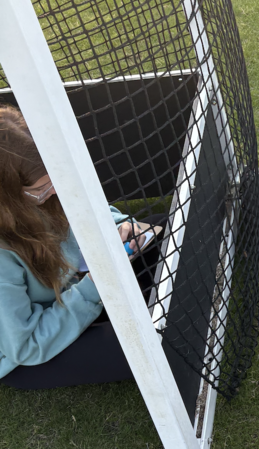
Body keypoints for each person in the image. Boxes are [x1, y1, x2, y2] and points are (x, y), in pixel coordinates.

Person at [0, 106, 162, 390]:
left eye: (55, 179)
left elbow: (88, 213)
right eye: (41, 190)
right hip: (30, 348)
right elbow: (24, 345)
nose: (55, 191)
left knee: (162, 229)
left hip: (75, 289)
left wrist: (122, 226)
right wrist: (95, 288)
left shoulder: (46, 188)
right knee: (150, 350)